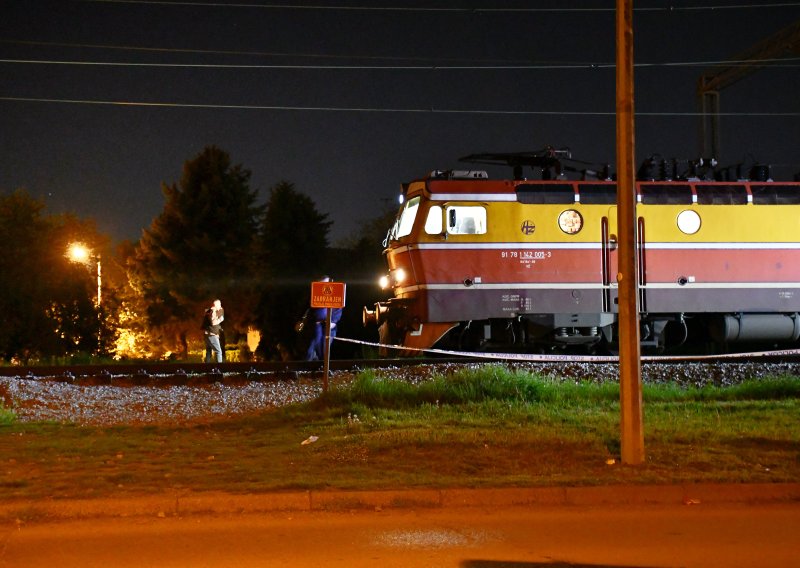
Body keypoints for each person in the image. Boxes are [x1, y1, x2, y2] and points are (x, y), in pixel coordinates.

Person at [304, 277, 343, 361]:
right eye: (321, 283)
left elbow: (338, 309)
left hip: (329, 327)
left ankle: (323, 367)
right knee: (312, 347)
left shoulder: (336, 294)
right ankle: (307, 369)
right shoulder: (314, 295)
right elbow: (308, 308)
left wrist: (333, 321)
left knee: (324, 349)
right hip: (316, 325)